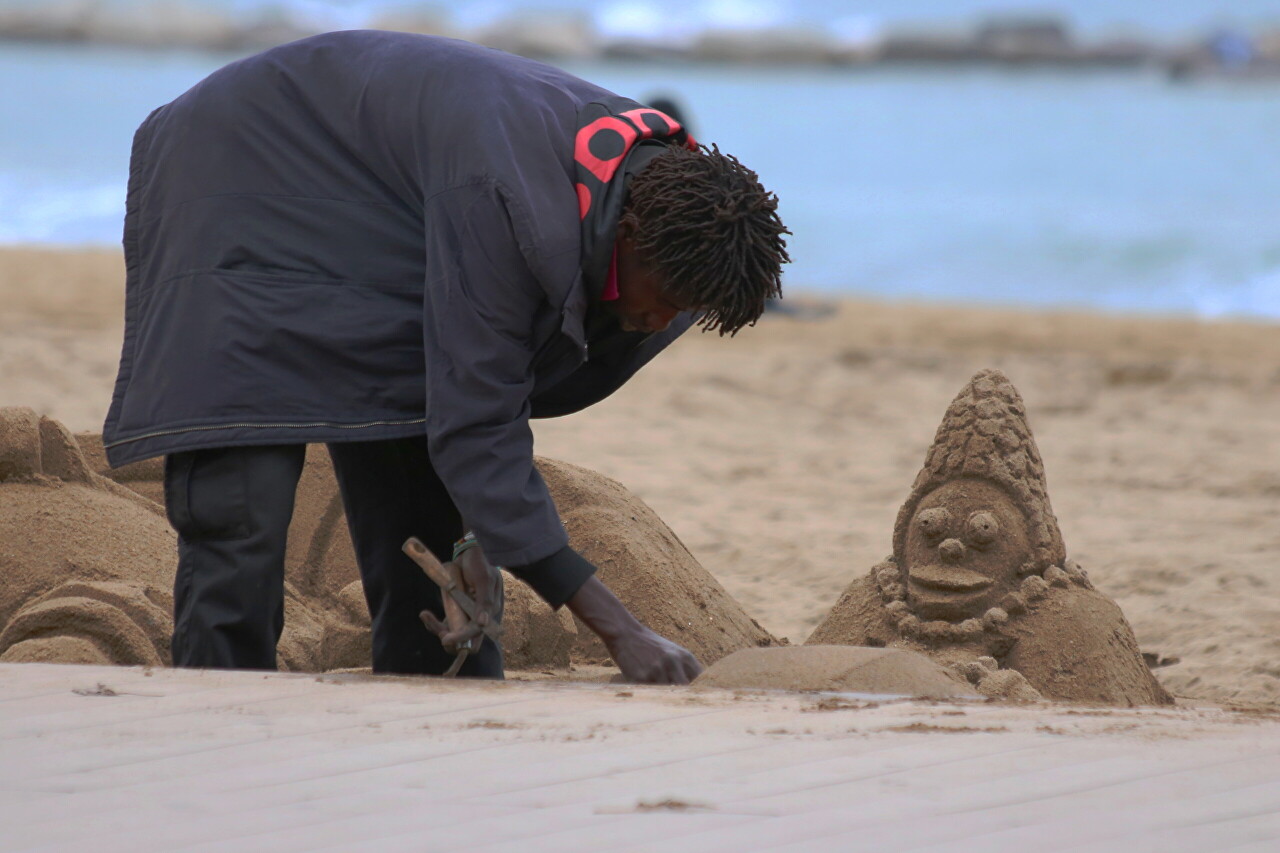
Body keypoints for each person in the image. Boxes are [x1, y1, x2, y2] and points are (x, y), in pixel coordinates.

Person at [102, 30, 790, 683]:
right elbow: (478, 427)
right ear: (631, 235)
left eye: (683, 313)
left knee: (434, 558)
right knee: (243, 520)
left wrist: (492, 533)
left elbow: (475, 401)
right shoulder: (515, 202)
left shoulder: (666, 207)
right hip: (240, 167)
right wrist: (621, 630)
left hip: (377, 219)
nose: (661, 321)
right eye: (664, 300)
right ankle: (213, 728)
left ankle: (431, 743)